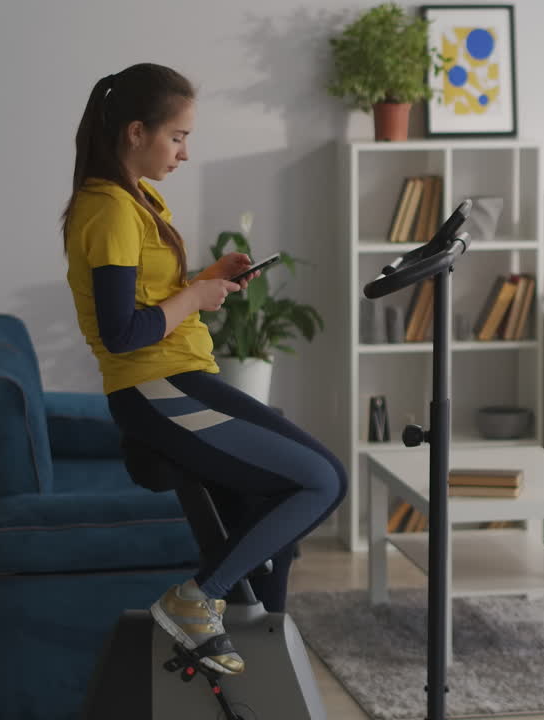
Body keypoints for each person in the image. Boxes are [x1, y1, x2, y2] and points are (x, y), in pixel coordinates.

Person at [61, 63, 347, 675]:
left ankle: (266, 667)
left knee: (284, 510)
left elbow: (144, 299)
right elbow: (122, 333)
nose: (185, 152)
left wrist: (205, 282)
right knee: (321, 480)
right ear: (136, 132)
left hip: (180, 378)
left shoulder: (140, 199)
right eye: (178, 137)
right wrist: (193, 299)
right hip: (155, 387)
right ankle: (197, 599)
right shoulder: (110, 210)